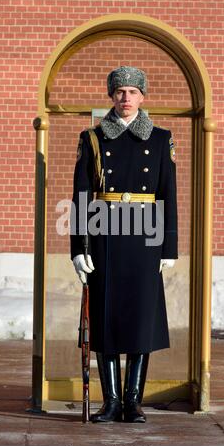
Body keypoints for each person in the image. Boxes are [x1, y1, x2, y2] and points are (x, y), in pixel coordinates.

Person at [70, 66, 178, 423]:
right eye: (120, 92)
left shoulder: (161, 139)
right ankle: (111, 401)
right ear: (111, 96)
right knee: (107, 320)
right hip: (107, 234)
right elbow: (82, 196)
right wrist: (79, 247)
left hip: (145, 235)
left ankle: (133, 401)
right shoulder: (94, 138)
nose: (126, 98)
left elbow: (168, 196)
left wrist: (168, 247)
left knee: (140, 321)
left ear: (143, 97)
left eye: (133, 91)